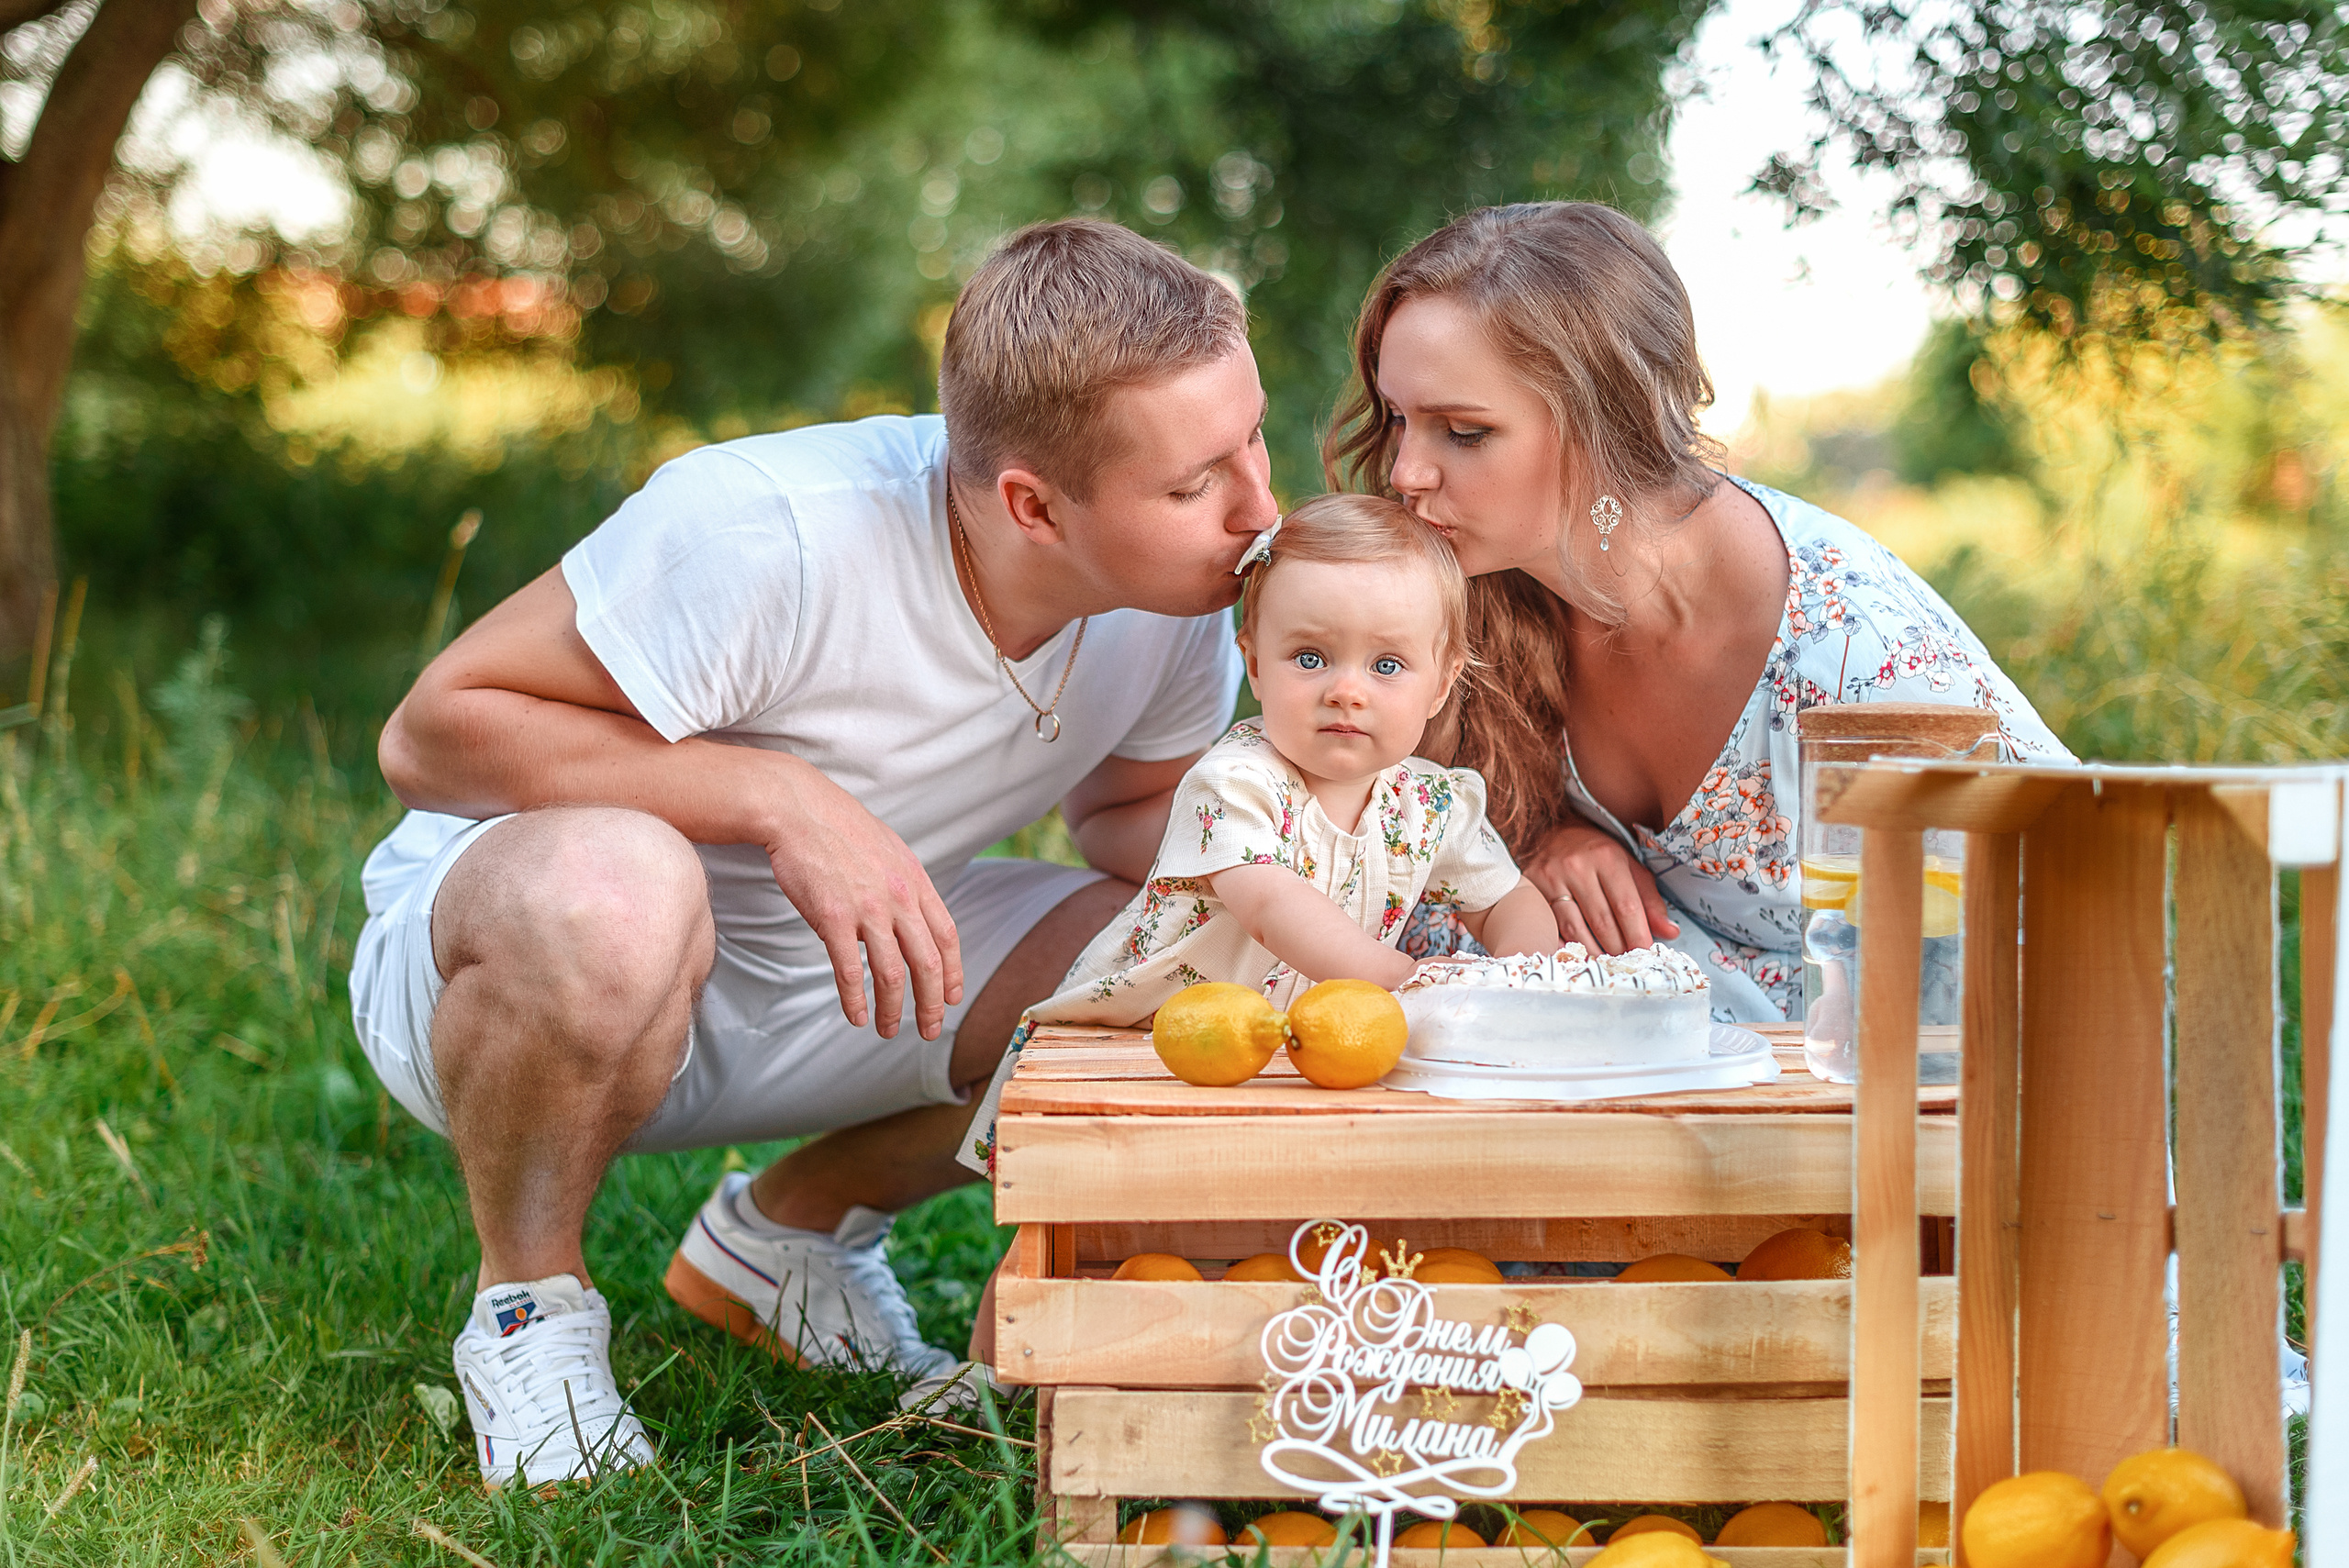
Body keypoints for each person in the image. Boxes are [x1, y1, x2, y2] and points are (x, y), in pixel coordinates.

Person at [350, 218, 1279, 1488]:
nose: (1258, 509)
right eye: (1194, 484)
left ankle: (791, 1239)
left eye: (1253, 440)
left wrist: (1318, 850)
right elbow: (433, 733)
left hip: (845, 972)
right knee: (620, 885)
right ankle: (529, 1310)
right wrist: (775, 794)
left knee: (1216, 944)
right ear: (1032, 505)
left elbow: (1127, 817)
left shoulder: (1179, 599)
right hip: (536, 963)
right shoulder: (771, 529)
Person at [1326, 202, 2071, 1020]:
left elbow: (2071, 918)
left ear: (1602, 428)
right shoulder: (1482, 586)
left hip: (1886, 1099)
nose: (1405, 471)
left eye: (1462, 431)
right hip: (1654, 1082)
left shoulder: (1853, 651)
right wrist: (1539, 841)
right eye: (1399, 418)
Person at [958, 495, 1561, 1171]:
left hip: (1285, 1052)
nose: (1346, 690)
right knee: (1079, 1214)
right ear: (1253, 661)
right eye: (1310, 657)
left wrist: (1522, 983)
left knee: (1250, 1219)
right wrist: (1413, 981)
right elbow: (1273, 905)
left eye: (1386, 665)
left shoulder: (1430, 801)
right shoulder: (1237, 781)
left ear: (1441, 684)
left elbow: (1509, 898)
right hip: (1154, 1040)